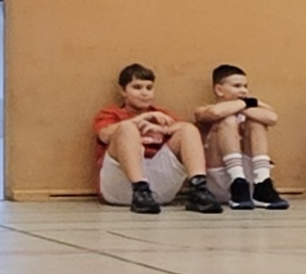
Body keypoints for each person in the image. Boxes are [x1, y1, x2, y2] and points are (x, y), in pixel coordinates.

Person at [93, 63, 218, 214]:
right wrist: (142, 119)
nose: (144, 93)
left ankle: (199, 189)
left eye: (149, 88)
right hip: (120, 185)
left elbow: (184, 130)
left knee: (189, 129)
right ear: (123, 91)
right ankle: (139, 189)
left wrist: (163, 129)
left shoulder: (161, 115)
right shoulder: (111, 113)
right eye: (137, 87)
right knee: (127, 128)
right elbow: (104, 135)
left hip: (157, 187)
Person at [191, 65, 289, 210]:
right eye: (237, 86)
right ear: (219, 90)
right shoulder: (204, 109)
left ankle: (262, 182)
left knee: (256, 123)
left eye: (245, 86)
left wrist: (247, 105)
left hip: (249, 180)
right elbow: (215, 113)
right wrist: (246, 103)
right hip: (219, 178)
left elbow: (272, 118)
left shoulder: (248, 111)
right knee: (227, 120)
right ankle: (237, 180)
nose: (244, 91)